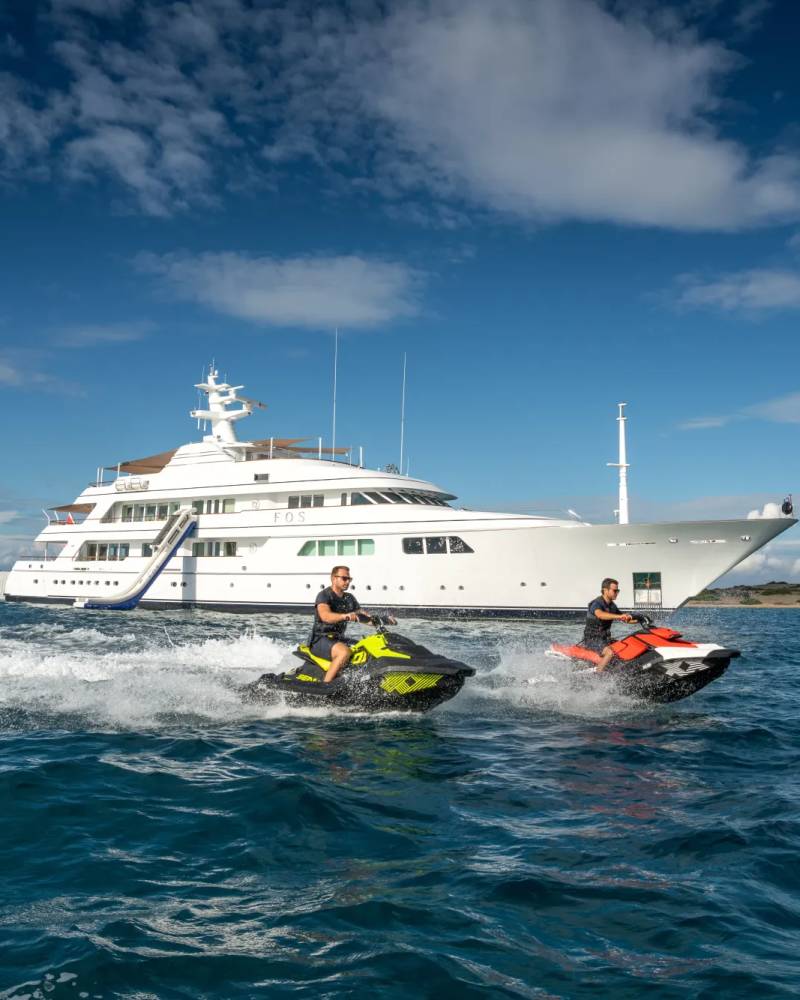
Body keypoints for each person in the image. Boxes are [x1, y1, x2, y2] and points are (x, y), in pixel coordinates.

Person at [308, 566, 374, 683]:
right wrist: (345, 616)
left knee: (366, 649)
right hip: (320, 639)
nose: (347, 581)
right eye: (344, 578)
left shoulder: (349, 598)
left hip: (338, 639)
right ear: (334, 578)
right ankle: (326, 685)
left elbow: (363, 616)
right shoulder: (324, 595)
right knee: (344, 652)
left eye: (349, 579)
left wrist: (382, 620)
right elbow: (325, 616)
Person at [582, 578, 634, 672]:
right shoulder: (596, 603)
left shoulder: (612, 606)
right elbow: (600, 614)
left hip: (605, 639)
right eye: (615, 590)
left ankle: (622, 670)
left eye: (618, 591)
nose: (617, 593)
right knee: (609, 653)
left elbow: (624, 618)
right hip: (592, 639)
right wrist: (619, 616)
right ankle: (598, 675)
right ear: (605, 590)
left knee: (624, 646)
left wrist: (639, 620)